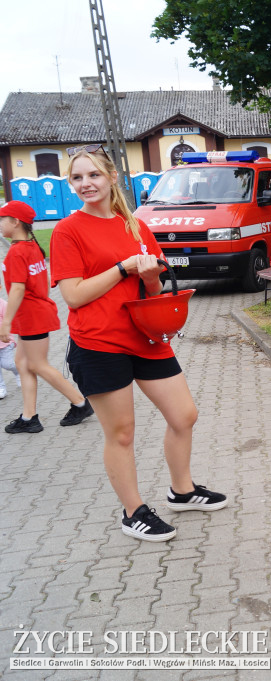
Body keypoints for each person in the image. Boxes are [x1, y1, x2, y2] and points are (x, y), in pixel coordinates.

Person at [49, 146, 226, 543]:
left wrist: (146, 275)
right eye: (77, 178)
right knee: (122, 433)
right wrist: (122, 267)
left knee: (184, 415)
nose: (85, 184)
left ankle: (182, 491)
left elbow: (154, 286)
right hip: (98, 343)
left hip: (145, 336)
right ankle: (133, 513)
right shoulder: (67, 230)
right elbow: (73, 296)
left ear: (112, 178)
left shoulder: (136, 226)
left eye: (93, 175)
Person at [0, 200, 93, 433]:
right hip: (34, 314)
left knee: (38, 365)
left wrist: (5, 322)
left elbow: (18, 289)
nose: (0, 224)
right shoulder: (31, 247)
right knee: (23, 364)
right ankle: (29, 417)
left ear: (15, 222)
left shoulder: (17, 252)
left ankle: (80, 403)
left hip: (32, 316)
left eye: (2, 219)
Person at [0, 297, 22, 399]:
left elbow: (11, 321)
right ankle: (1, 388)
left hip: (5, 343)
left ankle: (19, 372)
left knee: (7, 364)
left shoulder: (4, 304)